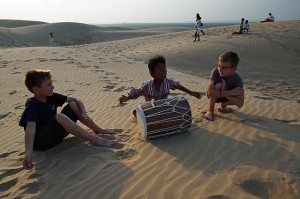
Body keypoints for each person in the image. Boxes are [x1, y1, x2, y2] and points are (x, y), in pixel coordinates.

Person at [19, 70, 116, 170]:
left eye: (51, 83)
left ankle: (97, 129)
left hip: (55, 136)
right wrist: (28, 154)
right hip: (42, 142)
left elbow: (76, 100)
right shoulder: (32, 105)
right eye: (49, 85)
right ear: (36, 89)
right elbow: (30, 129)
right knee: (60, 117)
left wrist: (84, 112)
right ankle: (94, 139)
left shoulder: (51, 97)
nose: (53, 86)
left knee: (73, 104)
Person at [119, 55, 201, 108]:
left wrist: (191, 92)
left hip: (164, 106)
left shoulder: (169, 82)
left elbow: (178, 86)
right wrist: (127, 98)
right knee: (141, 114)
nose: (164, 70)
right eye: (160, 68)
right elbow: (136, 92)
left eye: (164, 68)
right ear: (152, 74)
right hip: (150, 108)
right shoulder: (146, 86)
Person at [203, 51, 244, 121]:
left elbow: (240, 104)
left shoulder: (238, 79)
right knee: (218, 85)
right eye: (219, 66)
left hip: (227, 98)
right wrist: (230, 92)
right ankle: (210, 111)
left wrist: (225, 92)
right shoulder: (215, 72)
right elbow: (210, 93)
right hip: (216, 96)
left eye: (224, 67)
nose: (220, 69)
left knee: (236, 94)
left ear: (234, 69)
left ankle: (224, 105)